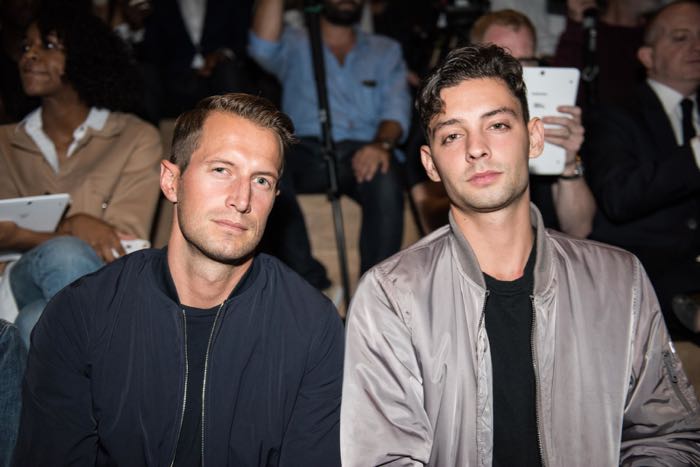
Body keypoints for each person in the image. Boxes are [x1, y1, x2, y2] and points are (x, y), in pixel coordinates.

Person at [341, 44, 700, 466]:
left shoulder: (619, 279)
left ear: (535, 138)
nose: (477, 148)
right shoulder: (391, 295)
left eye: (497, 125)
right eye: (452, 135)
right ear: (430, 163)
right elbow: (382, 457)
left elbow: (667, 437)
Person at [13, 93, 344, 466]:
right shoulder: (82, 312)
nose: (242, 199)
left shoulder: (312, 326)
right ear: (171, 181)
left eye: (262, 180)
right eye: (221, 170)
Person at [0, 3, 162, 347]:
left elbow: (124, 243)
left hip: (103, 285)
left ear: (84, 55)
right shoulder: (4, 143)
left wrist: (19, 235)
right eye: (26, 47)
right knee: (66, 253)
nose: (29, 56)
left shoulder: (134, 137)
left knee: (36, 321)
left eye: (48, 46)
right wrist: (72, 227)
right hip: (15, 284)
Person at [248, 0, 410, 290]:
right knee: (268, 165)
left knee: (385, 173)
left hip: (363, 148)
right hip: (303, 149)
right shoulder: (295, 41)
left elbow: (396, 111)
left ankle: (376, 295)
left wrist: (381, 144)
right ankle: (309, 285)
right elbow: (261, 47)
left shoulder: (385, 50)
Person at [584, 0, 700, 338]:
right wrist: (695, 154)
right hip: (644, 288)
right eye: (680, 37)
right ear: (647, 56)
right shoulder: (615, 114)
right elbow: (619, 197)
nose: (696, 47)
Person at [471, 9, 596, 238]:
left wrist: (568, 164)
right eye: (502, 62)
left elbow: (580, 229)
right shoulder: (457, 126)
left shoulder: (551, 117)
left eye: (526, 61)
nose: (517, 72)